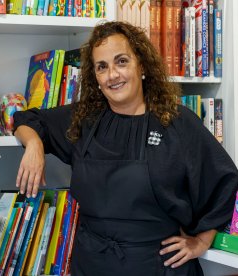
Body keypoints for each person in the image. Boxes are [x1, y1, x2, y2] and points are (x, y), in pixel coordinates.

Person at [13, 21, 238, 275]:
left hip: (157, 266)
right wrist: (33, 145)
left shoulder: (176, 122)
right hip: (91, 264)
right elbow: (26, 120)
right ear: (95, 77)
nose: (112, 75)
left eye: (121, 61)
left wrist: (202, 241)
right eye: (102, 67)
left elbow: (224, 181)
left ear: (141, 65)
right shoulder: (83, 121)